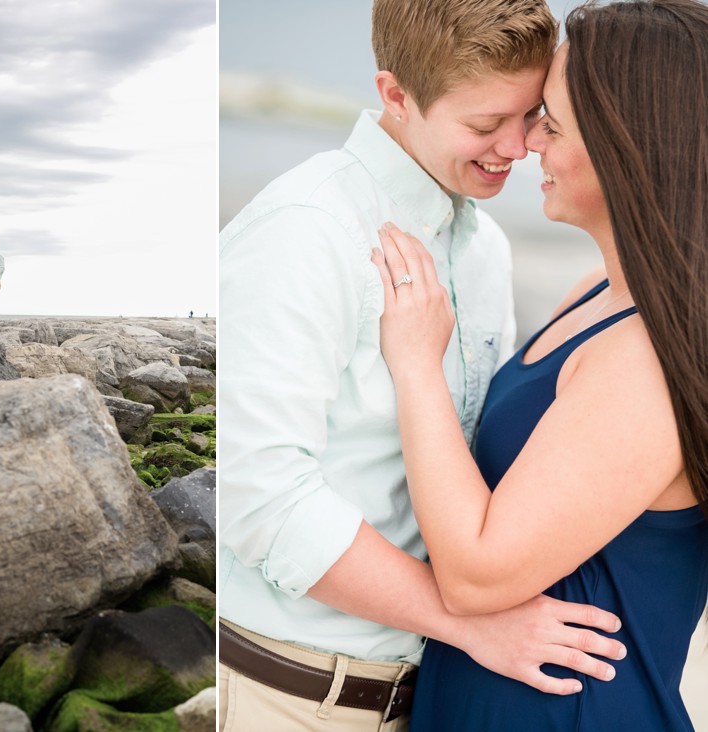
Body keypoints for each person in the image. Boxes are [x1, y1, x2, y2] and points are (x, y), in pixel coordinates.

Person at [218, 1, 628, 729]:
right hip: (300, 697)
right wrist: (469, 623)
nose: (520, 146)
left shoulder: (484, 247)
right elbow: (260, 502)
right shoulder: (305, 232)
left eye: (531, 114)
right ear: (395, 96)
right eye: (483, 125)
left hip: (435, 695)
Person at [371, 1, 708, 729]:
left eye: (550, 121)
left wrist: (417, 364)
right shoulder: (598, 296)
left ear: (630, 143)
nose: (526, 144)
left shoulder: (645, 356)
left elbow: (475, 574)